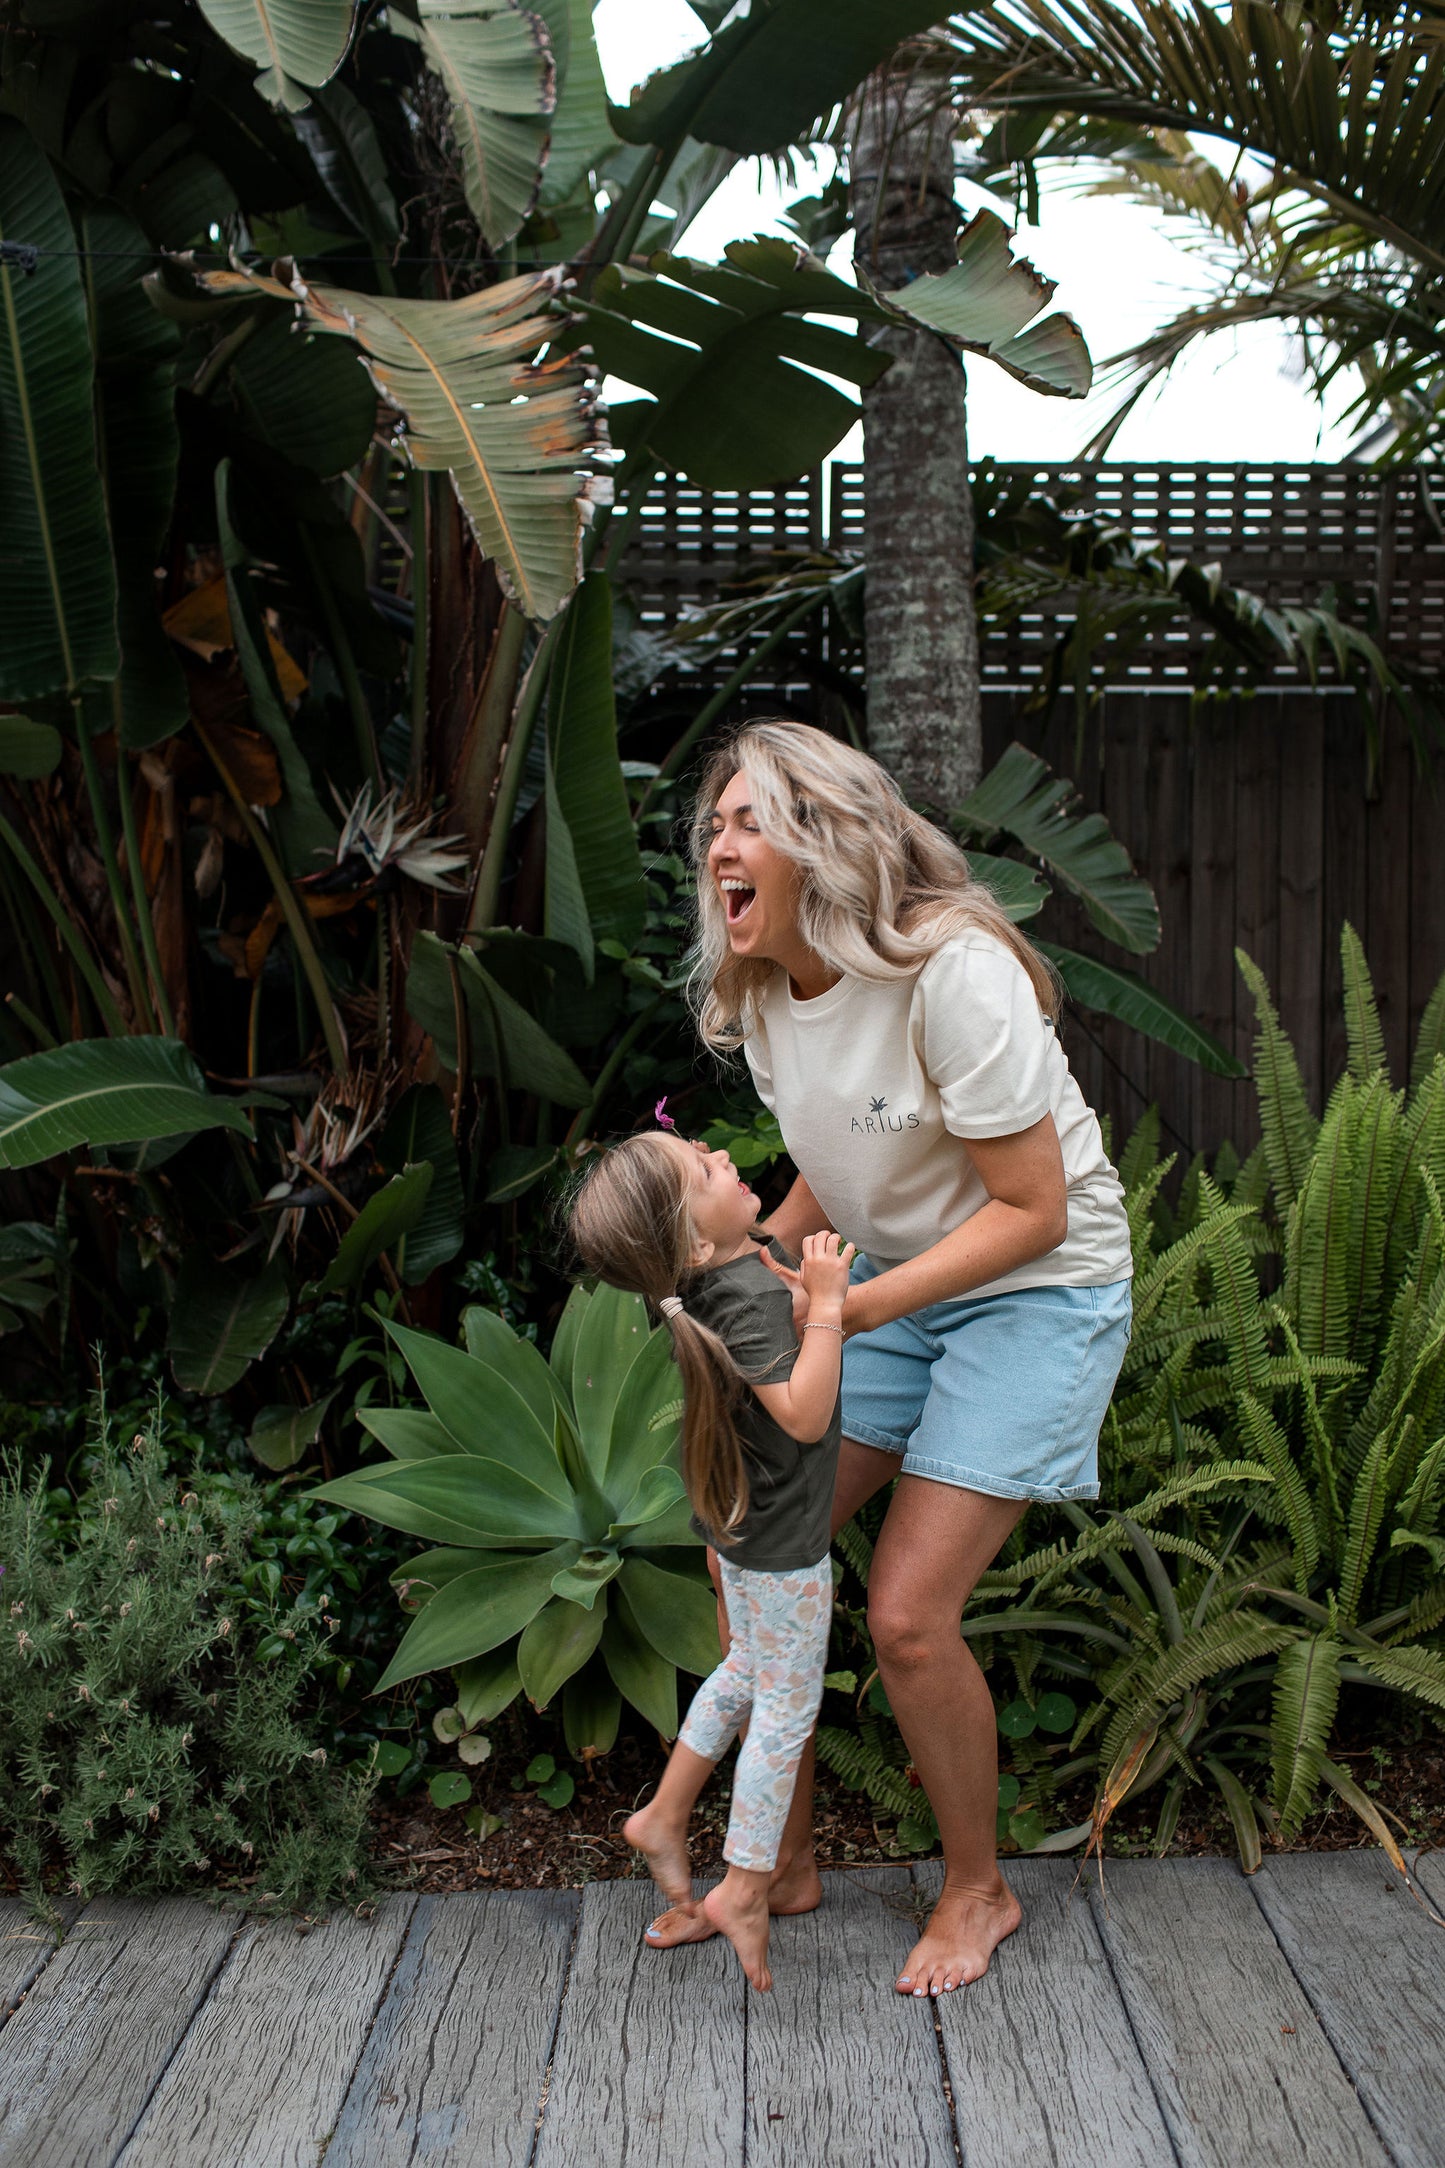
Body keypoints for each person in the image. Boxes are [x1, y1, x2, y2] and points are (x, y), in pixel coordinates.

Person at [646, 718, 1134, 1998]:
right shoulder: (757, 992)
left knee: (908, 1617)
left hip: (1036, 1288)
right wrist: (752, 1260)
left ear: (823, 839)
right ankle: (778, 1859)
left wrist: (836, 1314)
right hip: (888, 1284)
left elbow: (1031, 1209)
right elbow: (839, 1147)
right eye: (714, 823)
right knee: (745, 1537)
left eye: (749, 819)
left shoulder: (949, 973)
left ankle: (978, 1888)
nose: (719, 843)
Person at [568, 1126, 856, 1991]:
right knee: (784, 1709)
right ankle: (743, 1881)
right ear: (696, 1241)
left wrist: (801, 1295)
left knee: (742, 1674)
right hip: (781, 1555)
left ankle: (662, 1813)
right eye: (705, 1167)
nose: (725, 1157)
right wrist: (830, 1306)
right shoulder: (741, 1300)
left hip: (739, 1535)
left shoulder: (710, 1286)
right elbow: (803, 1415)